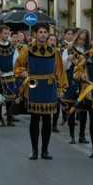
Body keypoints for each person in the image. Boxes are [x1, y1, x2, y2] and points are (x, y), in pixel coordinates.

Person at [15, 24, 67, 160]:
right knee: (35, 119)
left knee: (47, 120)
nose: (43, 34)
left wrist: (61, 89)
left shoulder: (54, 51)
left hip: (49, 87)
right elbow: (17, 66)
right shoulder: (27, 50)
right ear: (35, 35)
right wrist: (23, 72)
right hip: (34, 87)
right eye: (40, 32)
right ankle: (34, 150)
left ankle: (45, 150)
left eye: (45, 32)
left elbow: (60, 72)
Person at [62, 29, 90, 144]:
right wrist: (67, 59)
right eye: (79, 39)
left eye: (84, 39)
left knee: (83, 111)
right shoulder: (68, 50)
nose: (81, 41)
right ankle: (72, 136)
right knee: (71, 109)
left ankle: (82, 135)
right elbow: (62, 67)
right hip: (71, 81)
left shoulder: (88, 52)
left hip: (84, 83)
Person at [0, 25, 19, 127]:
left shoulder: (12, 47)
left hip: (9, 74)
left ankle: (9, 117)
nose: (7, 35)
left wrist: (14, 70)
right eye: (5, 33)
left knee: (10, 97)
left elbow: (15, 60)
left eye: (8, 33)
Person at [47, 34, 62, 133]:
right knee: (47, 103)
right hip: (44, 81)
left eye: (54, 40)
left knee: (57, 103)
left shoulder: (57, 52)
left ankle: (54, 124)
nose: (53, 42)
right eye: (51, 40)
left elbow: (60, 68)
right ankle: (47, 123)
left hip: (55, 80)